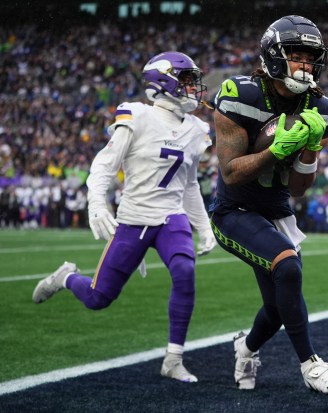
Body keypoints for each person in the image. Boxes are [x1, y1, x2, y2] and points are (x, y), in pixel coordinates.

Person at [32, 51, 216, 383]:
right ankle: (65, 277)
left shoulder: (196, 129)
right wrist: (96, 204)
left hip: (171, 218)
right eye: (187, 80)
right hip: (133, 219)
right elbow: (105, 164)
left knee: (185, 271)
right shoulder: (138, 116)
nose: (193, 88)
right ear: (164, 82)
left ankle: (173, 359)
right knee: (97, 298)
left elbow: (189, 185)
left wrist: (203, 226)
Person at [209, 15, 328, 394]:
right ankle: (310, 365)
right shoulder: (241, 95)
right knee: (287, 268)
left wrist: (311, 150)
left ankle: (246, 347)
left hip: (277, 212)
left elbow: (300, 189)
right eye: (296, 55)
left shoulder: (320, 106)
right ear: (274, 55)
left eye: (310, 57)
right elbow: (231, 173)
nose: (305, 64)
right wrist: (276, 150)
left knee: (276, 308)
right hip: (234, 211)